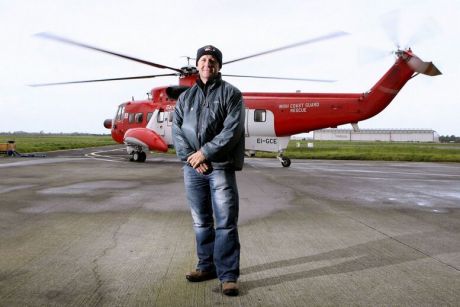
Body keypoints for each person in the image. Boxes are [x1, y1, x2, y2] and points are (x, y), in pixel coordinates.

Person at [172, 45, 245, 296]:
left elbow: (232, 131)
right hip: (193, 168)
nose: (207, 64)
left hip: (220, 166)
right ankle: (206, 266)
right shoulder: (185, 98)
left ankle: (228, 275)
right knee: (201, 221)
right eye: (203, 59)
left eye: (212, 60)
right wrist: (192, 158)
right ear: (197, 64)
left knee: (225, 222)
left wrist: (205, 153)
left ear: (219, 66)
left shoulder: (232, 94)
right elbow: (177, 131)